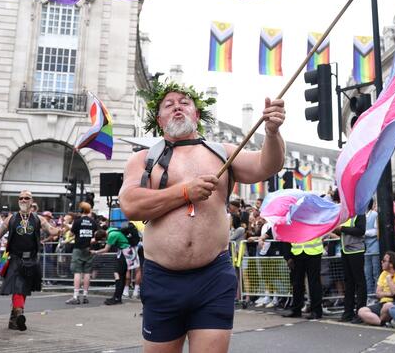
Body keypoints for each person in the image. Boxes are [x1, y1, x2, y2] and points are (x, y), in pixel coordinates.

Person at [118, 81, 285, 353]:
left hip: (213, 277)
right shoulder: (142, 159)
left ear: (196, 115)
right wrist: (185, 192)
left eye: (184, 103)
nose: (177, 108)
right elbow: (130, 204)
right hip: (162, 279)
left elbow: (267, 165)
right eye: (169, 105)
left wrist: (272, 132)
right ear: (159, 120)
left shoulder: (222, 152)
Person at [0, 190, 63, 331]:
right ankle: (19, 314)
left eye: (27, 198)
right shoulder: (11, 219)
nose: (23, 200)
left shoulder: (38, 219)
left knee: (24, 289)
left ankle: (14, 320)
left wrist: (62, 229)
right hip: (16, 259)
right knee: (18, 287)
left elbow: (52, 231)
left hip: (31, 259)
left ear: (31, 201)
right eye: (21, 198)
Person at [357, 251, 395, 326]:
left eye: (384, 261)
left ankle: (379, 321)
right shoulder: (384, 273)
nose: (381, 262)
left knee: (387, 306)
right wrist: (390, 294)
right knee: (361, 311)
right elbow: (378, 293)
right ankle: (382, 323)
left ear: (391, 264)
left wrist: (389, 279)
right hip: (382, 302)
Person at [67, 201, 98, 304]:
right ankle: (85, 295)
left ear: (81, 210)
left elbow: (71, 234)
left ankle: (75, 296)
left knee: (77, 272)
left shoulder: (77, 221)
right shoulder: (93, 222)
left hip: (78, 248)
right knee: (87, 273)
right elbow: (96, 235)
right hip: (89, 249)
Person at [338, 212, 366, 322]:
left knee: (359, 282)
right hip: (345, 250)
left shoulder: (359, 213)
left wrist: (342, 229)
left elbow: (360, 230)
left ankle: (360, 313)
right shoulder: (345, 214)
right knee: (348, 282)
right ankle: (348, 312)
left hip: (356, 250)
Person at [363, 199, 380, 296]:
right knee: (367, 273)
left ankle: (377, 294)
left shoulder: (374, 214)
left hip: (375, 248)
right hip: (366, 248)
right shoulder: (361, 215)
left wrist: (363, 232)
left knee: (376, 273)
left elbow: (376, 231)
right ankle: (370, 294)